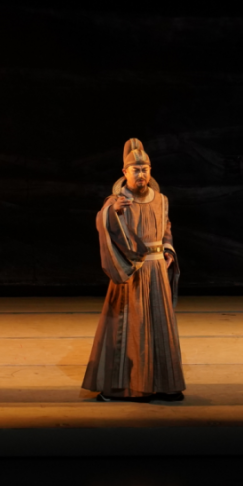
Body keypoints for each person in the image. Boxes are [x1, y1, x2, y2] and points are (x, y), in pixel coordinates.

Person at [83, 138, 185, 402]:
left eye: (145, 169)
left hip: (157, 271)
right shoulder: (118, 201)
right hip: (133, 271)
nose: (141, 174)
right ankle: (130, 388)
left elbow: (166, 228)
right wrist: (112, 212)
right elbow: (102, 222)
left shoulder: (161, 200)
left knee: (160, 326)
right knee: (132, 327)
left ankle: (166, 385)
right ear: (125, 172)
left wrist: (168, 249)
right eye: (136, 170)